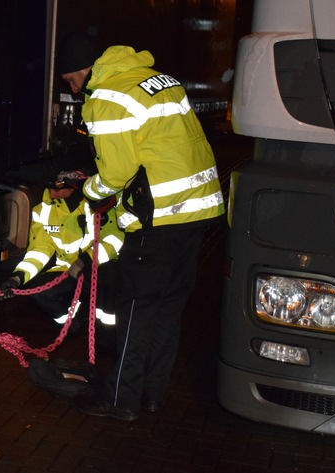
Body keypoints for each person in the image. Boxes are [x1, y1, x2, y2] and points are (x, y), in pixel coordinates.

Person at [56, 34, 225, 421]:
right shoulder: (155, 78)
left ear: (86, 70)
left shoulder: (107, 98)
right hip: (198, 212)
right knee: (168, 310)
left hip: (160, 219)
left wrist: (87, 189)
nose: (73, 88)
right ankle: (151, 395)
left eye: (70, 79)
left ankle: (122, 400)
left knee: (137, 310)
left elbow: (116, 173)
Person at [0, 170, 123, 337]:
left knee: (110, 283)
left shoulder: (98, 204)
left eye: (56, 188)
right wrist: (18, 277)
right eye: (49, 188)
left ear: (73, 187)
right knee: (41, 291)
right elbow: (39, 251)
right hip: (68, 269)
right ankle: (72, 324)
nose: (51, 193)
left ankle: (107, 336)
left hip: (99, 265)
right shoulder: (43, 211)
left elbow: (115, 239)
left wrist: (86, 259)